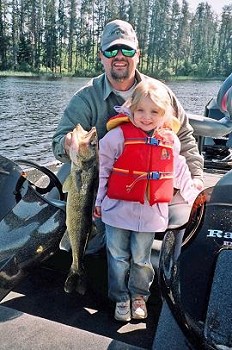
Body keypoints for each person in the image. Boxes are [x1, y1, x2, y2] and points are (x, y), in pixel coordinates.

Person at [52, 19, 204, 190]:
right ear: (101, 56)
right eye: (110, 51)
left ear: (138, 55)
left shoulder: (161, 93)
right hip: (102, 187)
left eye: (127, 49)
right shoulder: (85, 98)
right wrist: (66, 143)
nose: (119, 56)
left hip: (152, 187)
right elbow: (58, 143)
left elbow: (184, 137)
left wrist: (196, 177)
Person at [93, 80, 201, 322]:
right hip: (116, 212)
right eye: (140, 110)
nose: (146, 117)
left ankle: (139, 296)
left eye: (154, 112)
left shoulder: (171, 140)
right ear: (131, 110)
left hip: (151, 215)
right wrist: (98, 201)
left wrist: (194, 192)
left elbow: (180, 170)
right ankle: (120, 297)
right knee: (118, 257)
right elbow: (101, 172)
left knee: (141, 259)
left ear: (164, 115)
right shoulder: (116, 137)